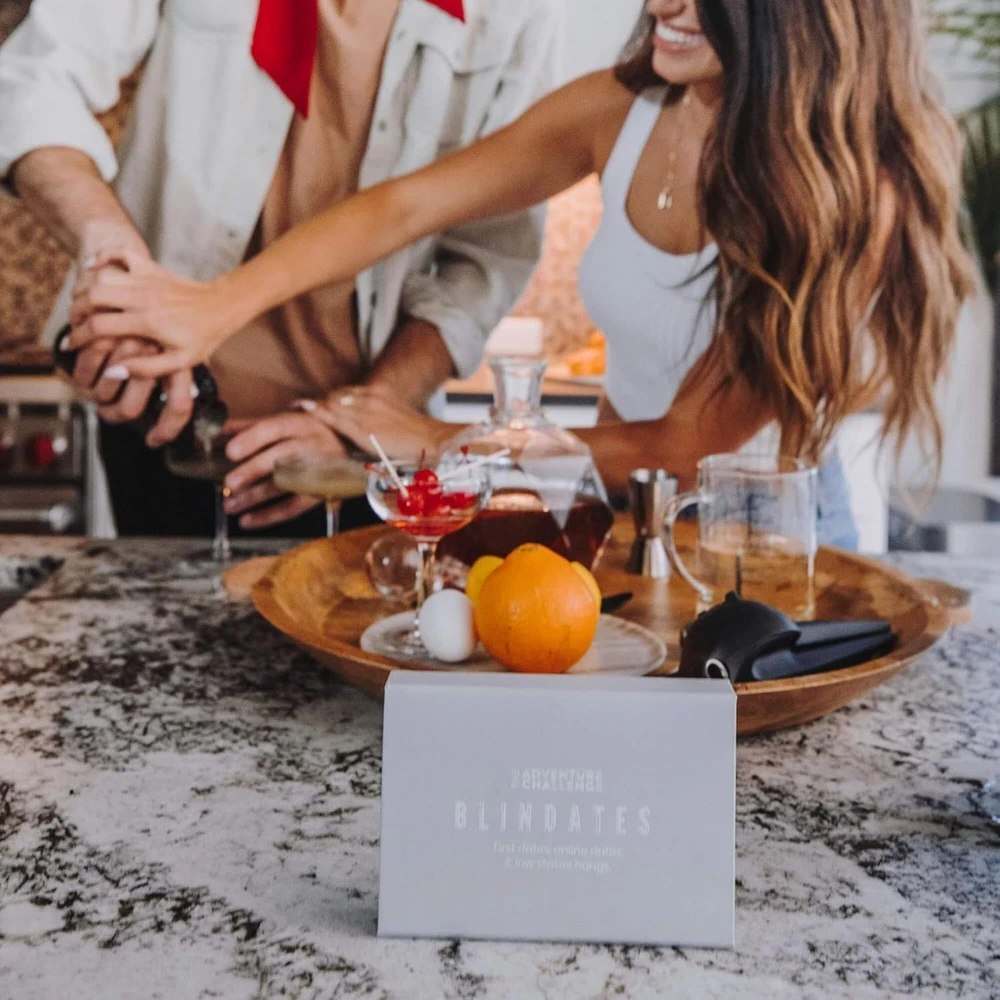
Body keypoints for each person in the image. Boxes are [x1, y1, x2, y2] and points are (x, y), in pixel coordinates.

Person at [66, 0, 975, 550]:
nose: (660, 4)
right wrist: (210, 307)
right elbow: (405, 207)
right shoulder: (622, 109)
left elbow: (687, 444)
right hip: (628, 517)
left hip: (775, 547)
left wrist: (433, 440)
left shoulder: (855, 191)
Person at [0, 0, 560, 535]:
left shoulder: (515, 12)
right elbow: (30, 83)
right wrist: (110, 254)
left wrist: (361, 415)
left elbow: (484, 259)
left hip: (356, 454)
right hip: (156, 416)